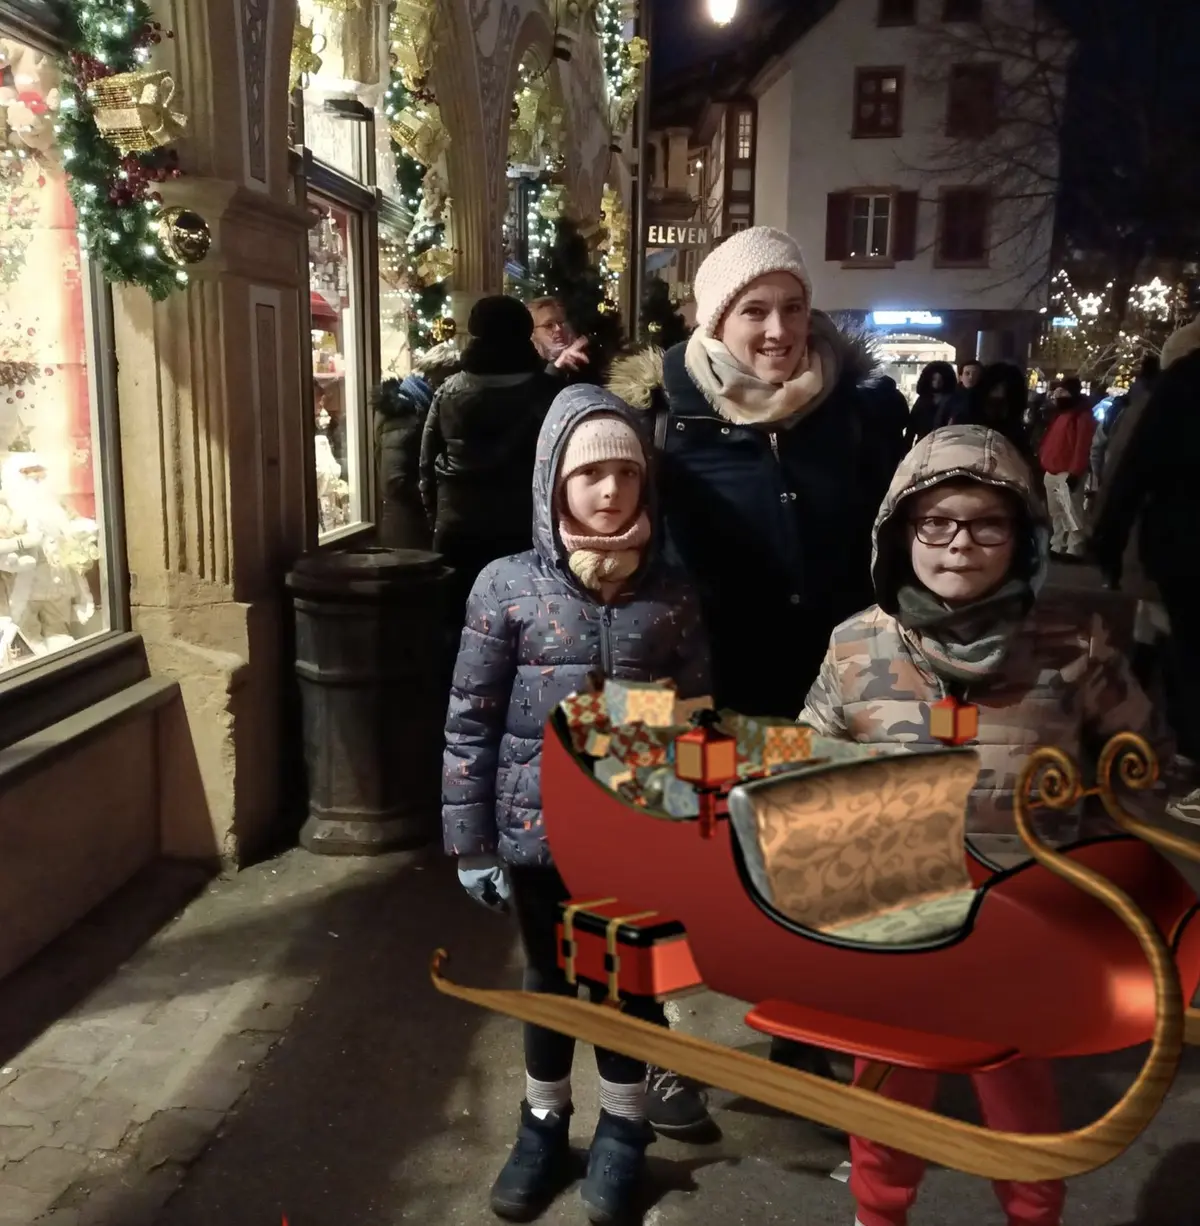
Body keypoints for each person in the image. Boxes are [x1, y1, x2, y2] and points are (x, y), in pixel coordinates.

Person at [799, 423, 1169, 1226]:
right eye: (935, 521)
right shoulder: (857, 646)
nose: (959, 543)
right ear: (901, 533)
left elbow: (1144, 770)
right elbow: (806, 778)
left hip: (1029, 927)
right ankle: (877, 1215)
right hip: (897, 923)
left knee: (1023, 1103)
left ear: (1023, 536)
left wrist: (1122, 877)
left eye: (986, 523)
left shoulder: (1075, 644)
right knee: (889, 1091)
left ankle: (1032, 1216)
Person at [606, 224, 898, 1087]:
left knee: (816, 855)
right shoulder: (657, 411)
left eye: (793, 307)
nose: (778, 331)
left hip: (825, 675)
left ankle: (804, 1023)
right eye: (754, 311)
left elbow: (895, 532)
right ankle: (667, 1047)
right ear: (714, 320)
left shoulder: (859, 409)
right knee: (689, 866)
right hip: (698, 676)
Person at [441, 385, 711, 1224]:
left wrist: (691, 832)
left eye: (624, 475)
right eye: (588, 474)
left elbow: (696, 717)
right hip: (534, 834)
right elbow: (471, 719)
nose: (607, 492)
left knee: (629, 982)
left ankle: (625, 1132)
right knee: (550, 981)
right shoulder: (508, 588)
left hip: (633, 835)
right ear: (553, 482)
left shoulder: (668, 594)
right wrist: (473, 842)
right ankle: (543, 1125)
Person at [1092, 316, 1200, 824]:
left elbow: (1134, 468)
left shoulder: (1181, 386)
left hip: (1184, 549)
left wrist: (1107, 543)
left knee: (1185, 651)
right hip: (1178, 549)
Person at [419, 296, 559, 619]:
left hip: (460, 532)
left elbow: (426, 464)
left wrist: (437, 519)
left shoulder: (449, 390)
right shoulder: (548, 392)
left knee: (459, 626)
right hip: (525, 532)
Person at [373, 342, 459, 549]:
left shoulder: (416, 405)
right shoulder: (405, 413)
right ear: (434, 375)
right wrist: (436, 498)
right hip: (407, 529)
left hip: (411, 524)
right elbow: (396, 481)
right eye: (447, 379)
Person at [1036, 378, 1094, 559]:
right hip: (1053, 471)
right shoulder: (1060, 414)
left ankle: (1075, 547)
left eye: (1063, 393)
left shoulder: (1081, 416)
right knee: (1056, 512)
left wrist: (1075, 472)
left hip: (1066, 472)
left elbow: (1082, 446)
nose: (1058, 396)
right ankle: (1058, 544)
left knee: (1071, 512)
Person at [949, 361, 1035, 464]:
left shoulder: (1013, 422)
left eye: (1006, 390)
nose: (1001, 394)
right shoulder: (967, 412)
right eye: (996, 388)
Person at [530, 295, 592, 381]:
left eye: (561, 322)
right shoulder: (527, 367)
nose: (558, 329)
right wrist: (555, 368)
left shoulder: (585, 360)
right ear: (533, 332)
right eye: (549, 325)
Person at [904, 361, 959, 449]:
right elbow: (911, 427)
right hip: (922, 444)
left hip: (945, 445)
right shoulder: (922, 400)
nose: (937, 382)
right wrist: (906, 450)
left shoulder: (952, 400)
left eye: (941, 380)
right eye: (934, 379)